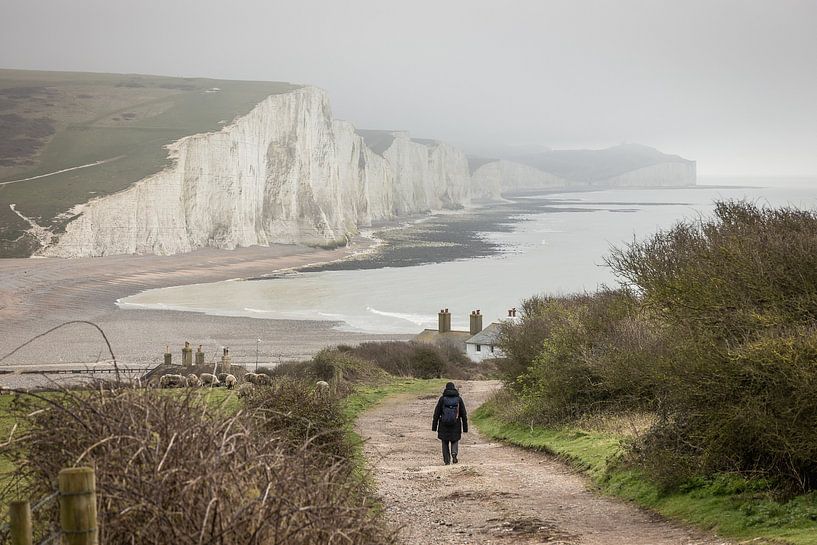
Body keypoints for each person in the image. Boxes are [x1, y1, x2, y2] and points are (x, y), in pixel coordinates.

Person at [432, 381, 468, 465]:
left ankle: (447, 461)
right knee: (454, 440)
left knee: (444, 442)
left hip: (443, 424)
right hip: (456, 423)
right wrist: (465, 427)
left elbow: (436, 413)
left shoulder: (442, 399)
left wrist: (434, 426)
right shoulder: (458, 399)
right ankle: (454, 453)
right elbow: (463, 414)